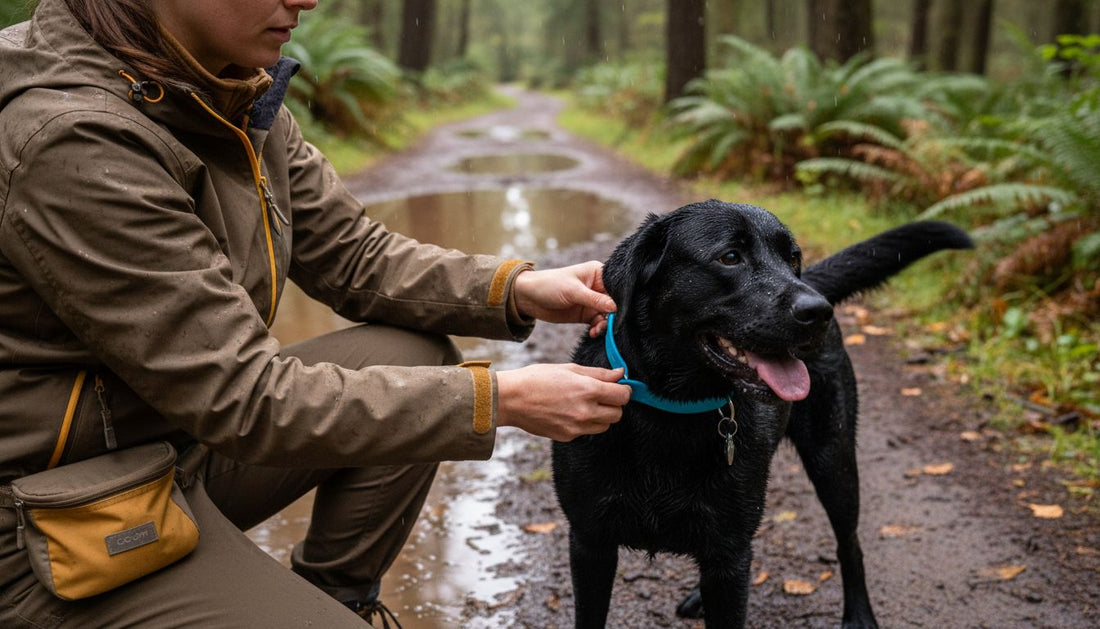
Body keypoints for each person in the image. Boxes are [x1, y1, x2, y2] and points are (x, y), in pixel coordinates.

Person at [0, 0, 632, 626]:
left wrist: (517, 289)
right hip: (53, 513)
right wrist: (503, 400)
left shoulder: (221, 85)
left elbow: (355, 256)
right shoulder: (74, 137)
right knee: (446, 396)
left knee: (414, 357)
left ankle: (338, 602)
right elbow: (244, 397)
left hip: (174, 446)